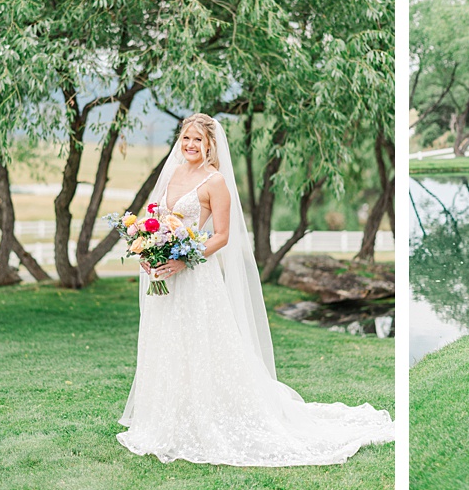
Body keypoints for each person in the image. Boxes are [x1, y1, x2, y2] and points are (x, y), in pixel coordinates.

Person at [119, 115, 394, 467]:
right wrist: (146, 250)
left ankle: (208, 416)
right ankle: (168, 417)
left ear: (210, 145)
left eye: (197, 140)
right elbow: (151, 218)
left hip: (193, 277)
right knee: (168, 340)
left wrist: (183, 260)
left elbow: (221, 235)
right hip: (163, 274)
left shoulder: (214, 182)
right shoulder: (172, 173)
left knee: (200, 342)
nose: (189, 145)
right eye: (185, 138)